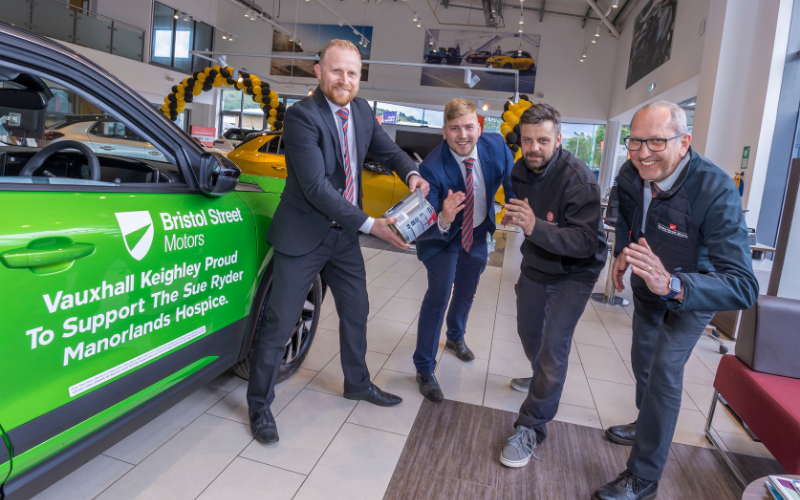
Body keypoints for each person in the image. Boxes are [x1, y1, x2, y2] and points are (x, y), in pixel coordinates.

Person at [246, 39, 430, 444]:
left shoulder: (362, 110)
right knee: (279, 324)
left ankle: (357, 382)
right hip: (303, 236)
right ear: (319, 71)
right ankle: (259, 404)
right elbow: (314, 188)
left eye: (352, 73)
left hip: (343, 239)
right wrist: (371, 225)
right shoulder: (302, 117)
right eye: (336, 71)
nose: (344, 80)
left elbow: (389, 151)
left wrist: (411, 174)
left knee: (356, 311)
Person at [592, 101, 758, 500]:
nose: (643, 152)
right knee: (642, 361)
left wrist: (675, 285)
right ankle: (646, 424)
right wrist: (623, 252)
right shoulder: (631, 172)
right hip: (648, 287)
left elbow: (743, 285)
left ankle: (643, 478)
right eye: (635, 142)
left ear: (684, 142)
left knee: (665, 368)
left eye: (656, 142)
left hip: (692, 292)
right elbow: (629, 219)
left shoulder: (715, 189)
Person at [497, 103, 607, 468]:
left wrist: (533, 228)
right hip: (537, 262)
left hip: (576, 272)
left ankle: (531, 427)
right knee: (529, 334)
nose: (534, 149)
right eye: (528, 140)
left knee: (552, 349)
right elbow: (528, 219)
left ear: (558, 139)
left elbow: (585, 242)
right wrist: (526, 225)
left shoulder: (579, 180)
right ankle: (542, 377)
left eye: (543, 140)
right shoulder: (519, 171)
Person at [412, 98, 515, 402]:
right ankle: (425, 368)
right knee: (439, 295)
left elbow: (509, 178)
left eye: (469, 127)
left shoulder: (496, 146)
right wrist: (444, 216)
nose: (463, 135)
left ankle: (455, 337)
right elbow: (426, 220)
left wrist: (512, 205)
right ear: (444, 131)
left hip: (479, 230)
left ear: (479, 127)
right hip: (444, 238)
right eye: (454, 128)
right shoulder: (431, 166)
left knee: (468, 289)